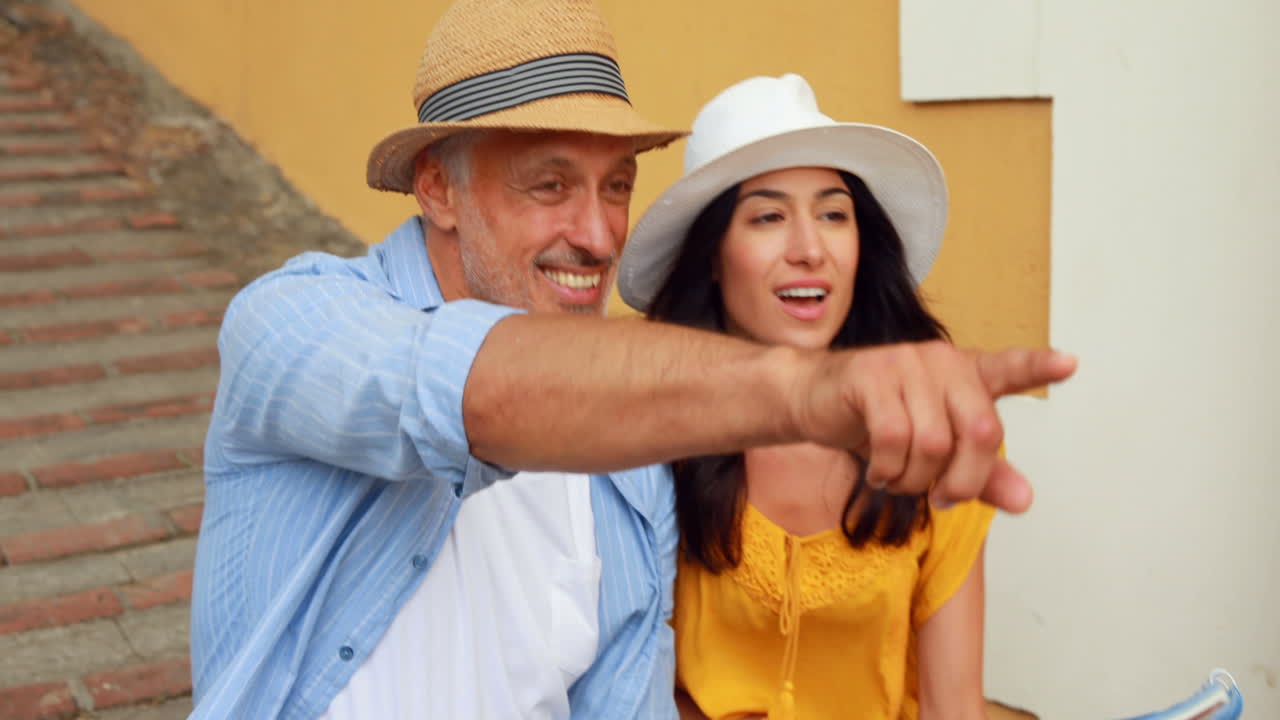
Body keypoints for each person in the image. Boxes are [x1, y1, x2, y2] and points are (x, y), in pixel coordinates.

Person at [188, 0, 1076, 717]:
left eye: (616, 186)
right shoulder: (293, 322)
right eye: (550, 183)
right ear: (435, 186)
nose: (598, 232)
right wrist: (812, 389)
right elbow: (473, 390)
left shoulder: (632, 468)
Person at [617, 74, 1000, 719]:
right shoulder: (649, 435)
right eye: (768, 216)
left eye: (833, 214)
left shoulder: (936, 432)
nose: (810, 250)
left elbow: (953, 705)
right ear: (713, 256)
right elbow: (624, 688)